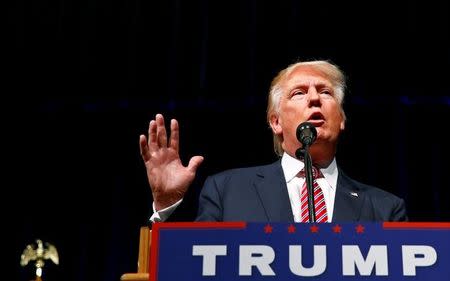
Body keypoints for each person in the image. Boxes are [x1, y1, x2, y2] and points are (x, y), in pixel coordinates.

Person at [139, 59, 408, 223]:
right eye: (299, 93)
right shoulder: (227, 190)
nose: (314, 99)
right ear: (275, 122)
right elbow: (189, 264)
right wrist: (166, 206)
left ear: (341, 120)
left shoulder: (385, 208)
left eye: (325, 92)